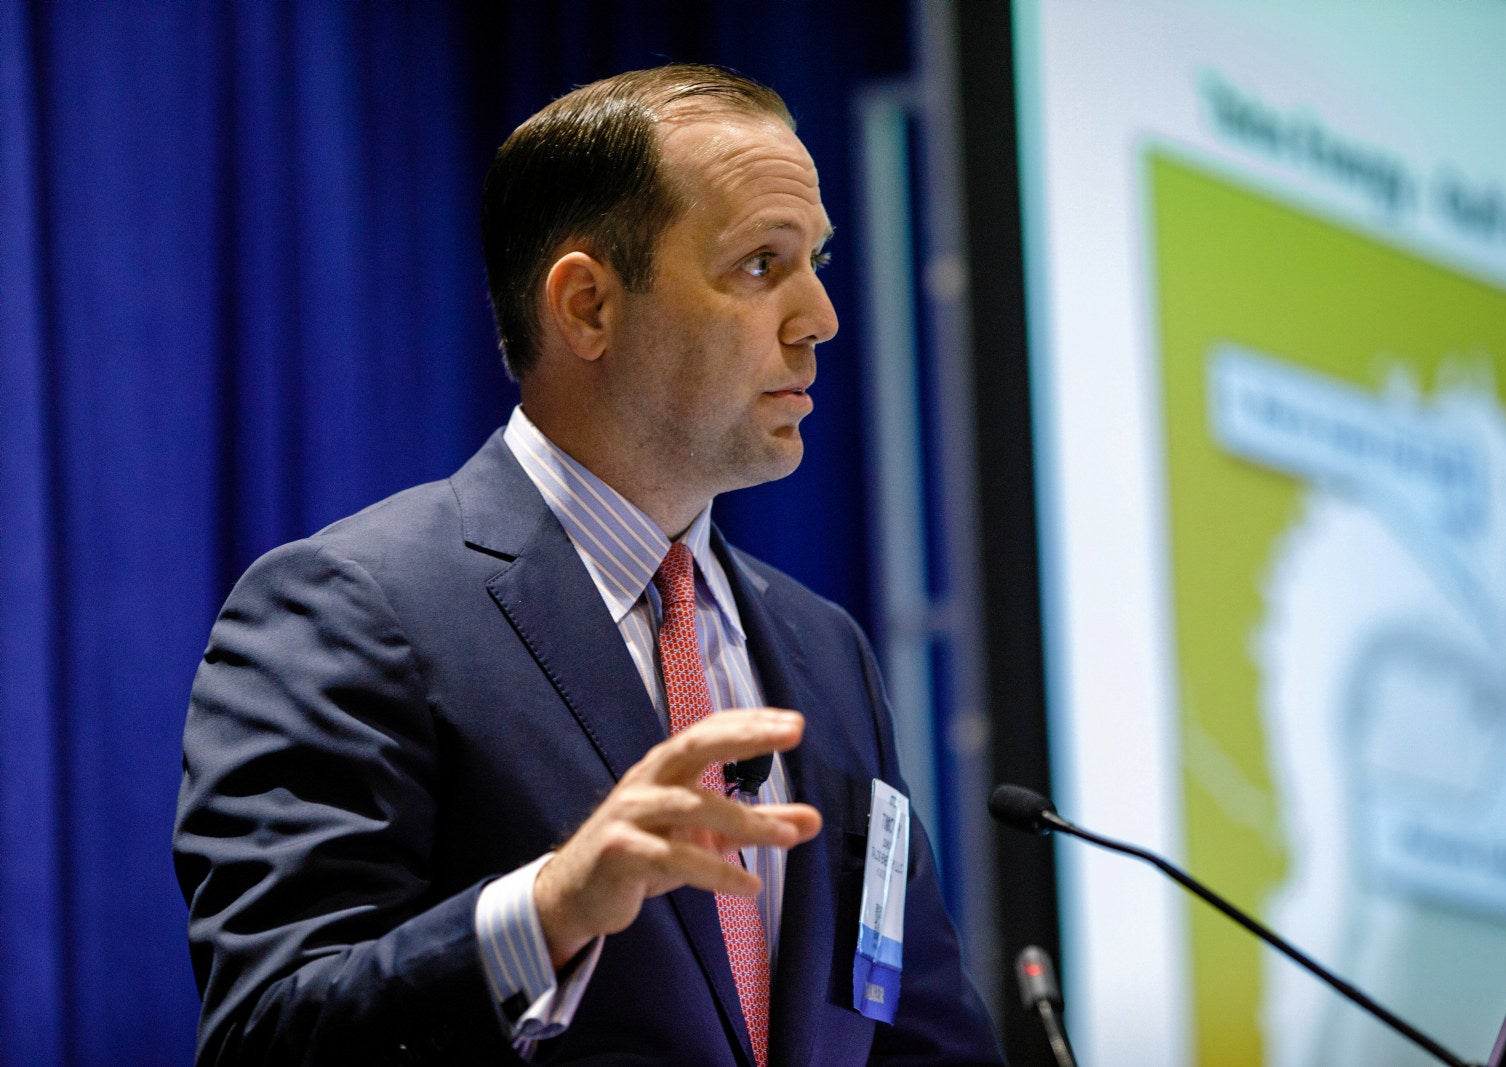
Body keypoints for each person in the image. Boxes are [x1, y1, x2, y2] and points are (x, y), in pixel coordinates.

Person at [173, 64, 1001, 1066]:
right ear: (587, 306)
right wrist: (550, 908)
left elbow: (916, 1033)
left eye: (816, 260)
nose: (819, 316)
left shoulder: (826, 649)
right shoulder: (351, 609)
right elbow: (268, 1032)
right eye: (760, 264)